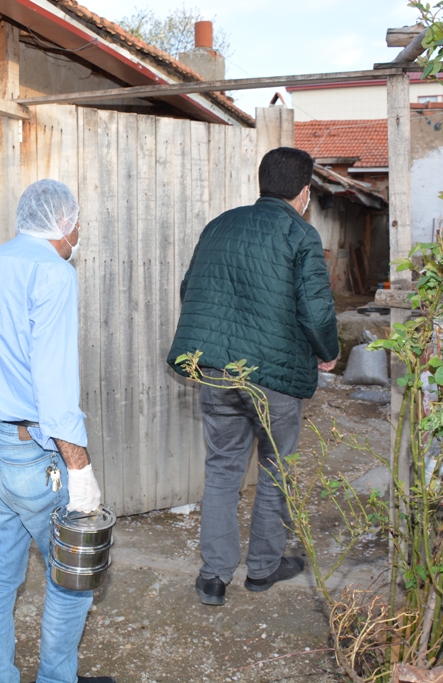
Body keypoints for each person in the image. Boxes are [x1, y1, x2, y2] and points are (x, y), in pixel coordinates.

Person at [0, 179, 115, 683]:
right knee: (72, 578)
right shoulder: (54, 274)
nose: (79, 233)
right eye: (77, 223)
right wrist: (79, 469)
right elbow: (53, 382)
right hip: (31, 456)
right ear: (62, 224)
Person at [166, 147, 339, 607]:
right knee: (275, 467)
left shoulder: (220, 225)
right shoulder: (300, 234)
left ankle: (213, 577)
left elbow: (190, 289)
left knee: (223, 467)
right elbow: (316, 309)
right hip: (274, 375)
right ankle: (262, 568)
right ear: (304, 192)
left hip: (216, 370)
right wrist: (328, 352)